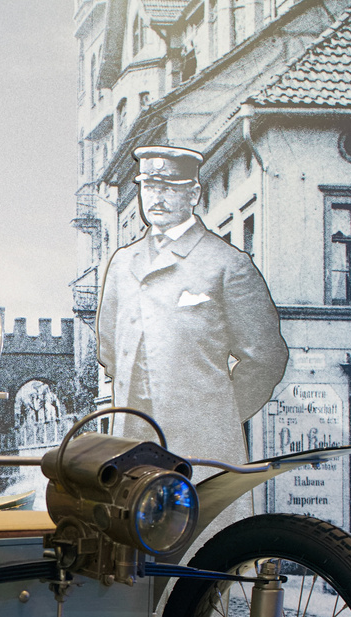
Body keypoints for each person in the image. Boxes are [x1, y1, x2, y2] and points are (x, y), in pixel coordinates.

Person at [96, 145, 289, 535]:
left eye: (170, 186)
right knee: (134, 556)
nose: (158, 197)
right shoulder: (122, 263)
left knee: (206, 556)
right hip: (134, 441)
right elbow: (108, 348)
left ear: (194, 194)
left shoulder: (226, 264)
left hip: (202, 449)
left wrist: (218, 413)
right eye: (149, 186)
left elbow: (266, 357)